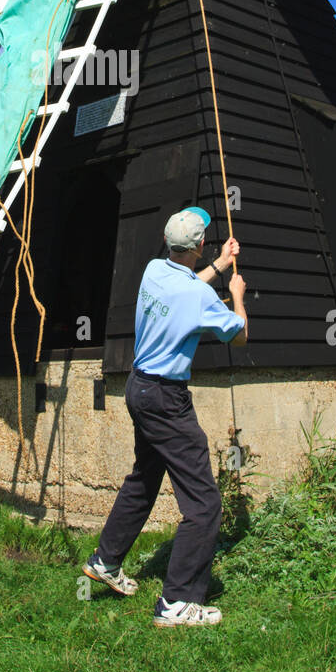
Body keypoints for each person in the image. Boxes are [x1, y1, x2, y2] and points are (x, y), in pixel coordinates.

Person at [83, 205, 247, 627]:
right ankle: (178, 601)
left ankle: (107, 560)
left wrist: (219, 265)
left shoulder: (154, 270)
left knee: (146, 477)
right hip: (166, 400)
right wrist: (239, 294)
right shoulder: (199, 296)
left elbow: (188, 288)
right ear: (199, 244)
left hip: (139, 388)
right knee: (204, 502)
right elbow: (240, 335)